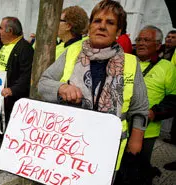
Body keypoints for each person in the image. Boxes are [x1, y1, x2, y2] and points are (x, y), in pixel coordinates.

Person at [38, 0, 148, 176]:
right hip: (69, 145)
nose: (102, 27)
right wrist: (62, 88)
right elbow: (43, 83)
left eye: (110, 23)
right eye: (97, 21)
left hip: (108, 147)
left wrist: (136, 141)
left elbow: (140, 108)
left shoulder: (131, 63)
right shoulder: (72, 52)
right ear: (90, 27)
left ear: (119, 31)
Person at [135, 25, 176, 163]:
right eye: (139, 39)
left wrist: (154, 112)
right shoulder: (126, 61)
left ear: (158, 45)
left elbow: (173, 99)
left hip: (147, 132)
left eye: (146, 40)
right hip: (119, 128)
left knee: (137, 168)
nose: (140, 43)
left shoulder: (167, 67)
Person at [0, 16, 34, 124]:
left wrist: (13, 90)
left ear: (10, 31)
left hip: (10, 97)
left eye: (1, 28)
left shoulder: (25, 48)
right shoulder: (5, 45)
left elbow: (27, 74)